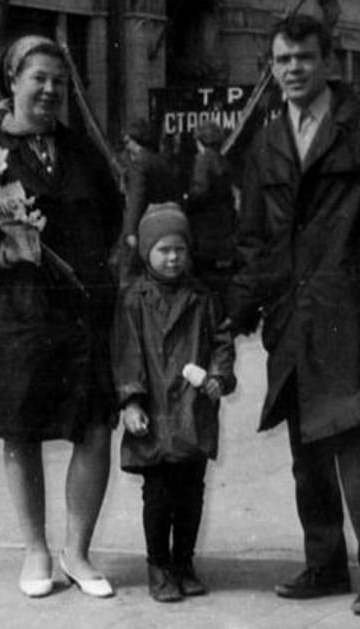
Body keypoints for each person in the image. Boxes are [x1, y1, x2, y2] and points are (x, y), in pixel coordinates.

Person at [224, 15, 360, 616]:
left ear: (328, 61)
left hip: (353, 307)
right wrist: (237, 312)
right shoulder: (266, 142)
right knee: (306, 450)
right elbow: (254, 238)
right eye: (281, 60)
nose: (292, 70)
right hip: (292, 313)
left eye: (303, 59)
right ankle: (325, 564)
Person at [0, 35, 121, 599]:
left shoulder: (80, 149)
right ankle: (36, 550)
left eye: (60, 82)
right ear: (13, 81)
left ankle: (78, 552)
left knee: (94, 428)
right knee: (20, 431)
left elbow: (112, 212)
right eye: (38, 78)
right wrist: (6, 254)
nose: (50, 90)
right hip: (19, 312)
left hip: (83, 311)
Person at [113, 202, 236, 603]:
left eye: (179, 249)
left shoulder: (201, 296)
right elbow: (127, 352)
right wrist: (131, 402)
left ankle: (184, 561)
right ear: (147, 251)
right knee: (158, 493)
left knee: (192, 491)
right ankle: (157, 564)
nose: (172, 258)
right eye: (163, 249)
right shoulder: (134, 299)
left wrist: (218, 376)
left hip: (191, 410)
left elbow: (221, 340)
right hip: (154, 412)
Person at [114, 116, 180, 290]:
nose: (127, 146)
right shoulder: (162, 161)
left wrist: (130, 231)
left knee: (128, 279)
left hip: (141, 227)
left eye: (127, 141)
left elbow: (136, 198)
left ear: (133, 140)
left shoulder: (139, 164)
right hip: (162, 225)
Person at [184, 120, 237, 307]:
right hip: (222, 228)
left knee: (201, 278)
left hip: (203, 229)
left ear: (199, 140)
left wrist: (185, 203)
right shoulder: (223, 161)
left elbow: (200, 191)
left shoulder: (202, 159)